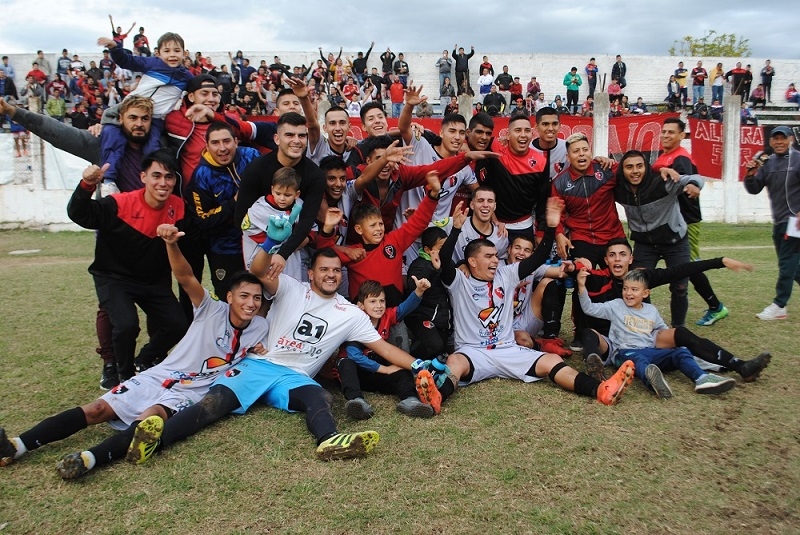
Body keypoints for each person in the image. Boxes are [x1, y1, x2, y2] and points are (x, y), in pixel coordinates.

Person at [125, 241, 427, 464]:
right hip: (259, 364)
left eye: (336, 270)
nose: (331, 275)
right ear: (311, 273)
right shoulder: (292, 288)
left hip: (294, 377)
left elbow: (384, 348)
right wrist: (271, 243)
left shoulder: (350, 313)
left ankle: (329, 441)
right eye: (324, 269)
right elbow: (257, 270)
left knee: (320, 397)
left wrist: (420, 365)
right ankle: (156, 442)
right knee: (213, 404)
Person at [0, 235, 268, 478]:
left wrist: (258, 350)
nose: (251, 303)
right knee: (97, 409)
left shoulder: (260, 327)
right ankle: (16, 446)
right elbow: (185, 276)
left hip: (192, 390)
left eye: (257, 298)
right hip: (159, 375)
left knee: (151, 420)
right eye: (244, 296)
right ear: (229, 296)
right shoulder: (211, 309)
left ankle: (89, 459)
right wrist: (171, 244)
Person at [417, 196, 635, 414]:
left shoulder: (506, 274)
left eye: (496, 256)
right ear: (472, 261)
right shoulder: (458, 281)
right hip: (473, 352)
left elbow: (538, 258)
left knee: (552, 360)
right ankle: (437, 397)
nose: (495, 260)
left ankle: (601, 390)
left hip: (508, 350)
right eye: (489, 256)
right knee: (455, 361)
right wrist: (456, 230)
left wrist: (551, 228)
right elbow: (444, 260)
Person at [67, 150, 189, 382]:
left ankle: (144, 359)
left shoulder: (179, 208)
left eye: (169, 177)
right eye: (156, 176)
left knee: (178, 324)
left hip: (153, 281)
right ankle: (124, 375)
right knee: (126, 325)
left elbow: (193, 238)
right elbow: (79, 214)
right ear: (143, 177)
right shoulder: (120, 203)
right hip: (114, 278)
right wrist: (86, 185)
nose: (163, 183)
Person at [577, 238, 770, 383]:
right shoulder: (597, 278)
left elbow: (681, 270)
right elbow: (569, 270)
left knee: (681, 333)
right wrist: (577, 263)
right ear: (606, 260)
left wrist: (720, 261)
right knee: (589, 334)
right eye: (612, 255)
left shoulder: (644, 277)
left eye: (622, 254)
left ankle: (741, 366)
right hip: (614, 343)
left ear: (630, 259)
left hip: (643, 335)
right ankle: (597, 373)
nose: (617, 259)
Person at [577, 269, 736, 399]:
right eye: (625, 288)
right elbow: (590, 309)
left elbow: (663, 330)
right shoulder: (616, 306)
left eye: (634, 289)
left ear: (645, 293)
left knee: (680, 352)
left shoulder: (651, 310)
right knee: (638, 361)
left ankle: (701, 378)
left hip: (650, 350)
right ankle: (653, 381)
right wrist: (582, 287)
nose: (628, 293)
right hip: (624, 352)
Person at [653, 118, 730, 326]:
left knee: (690, 266)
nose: (666, 135)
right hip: (670, 222)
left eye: (671, 132)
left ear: (681, 136)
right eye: (664, 131)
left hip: (685, 221)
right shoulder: (666, 156)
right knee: (687, 266)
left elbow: (685, 184)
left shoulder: (681, 158)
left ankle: (716, 307)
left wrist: (692, 185)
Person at [97, 32, 193, 185]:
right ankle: (108, 181)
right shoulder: (152, 64)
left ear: (184, 53)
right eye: (167, 51)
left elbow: (199, 89)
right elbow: (127, 60)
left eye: (177, 51)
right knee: (113, 137)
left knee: (153, 147)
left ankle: (151, 183)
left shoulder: (186, 77)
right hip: (130, 108)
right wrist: (115, 47)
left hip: (155, 118)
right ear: (158, 53)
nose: (172, 55)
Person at [338, 278, 436, 420]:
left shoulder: (386, 316)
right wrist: (386, 369)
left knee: (401, 370)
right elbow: (354, 356)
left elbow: (404, 308)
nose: (378, 306)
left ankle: (410, 401)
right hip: (355, 372)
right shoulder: (356, 322)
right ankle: (357, 402)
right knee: (346, 363)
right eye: (373, 301)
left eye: (382, 301)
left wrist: (419, 291)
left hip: (374, 371)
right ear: (361, 305)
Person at [744, 126, 800, 320]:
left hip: (794, 221)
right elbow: (754, 189)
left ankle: (779, 305)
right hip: (779, 222)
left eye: (783, 138)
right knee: (793, 266)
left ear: (790, 139)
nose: (779, 142)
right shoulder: (767, 163)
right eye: (775, 139)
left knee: (786, 263)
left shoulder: (798, 159)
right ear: (770, 142)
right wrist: (750, 175)